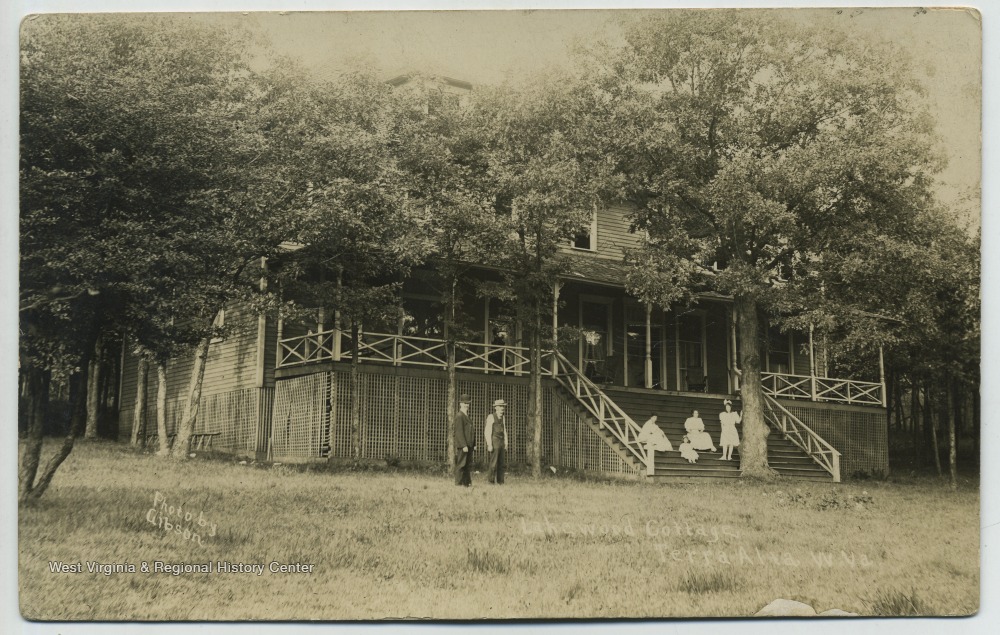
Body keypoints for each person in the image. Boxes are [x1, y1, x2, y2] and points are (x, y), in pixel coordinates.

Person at [484, 398, 509, 484]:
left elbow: (504, 430)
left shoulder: (503, 418)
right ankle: (491, 481)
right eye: (500, 407)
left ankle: (500, 481)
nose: (502, 408)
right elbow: (487, 431)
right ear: (496, 408)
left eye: (503, 407)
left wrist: (506, 442)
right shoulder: (491, 417)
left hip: (501, 442)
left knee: (501, 463)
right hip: (494, 441)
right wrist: (489, 444)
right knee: (493, 463)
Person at [453, 393, 475, 486]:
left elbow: (471, 431)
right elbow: (459, 432)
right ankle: (458, 483)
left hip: (469, 444)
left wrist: (473, 444)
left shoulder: (467, 416)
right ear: (460, 404)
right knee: (461, 464)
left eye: (468, 403)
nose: (466, 405)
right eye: (465, 403)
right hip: (464, 445)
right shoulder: (459, 416)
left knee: (467, 465)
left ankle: (466, 483)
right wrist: (463, 445)